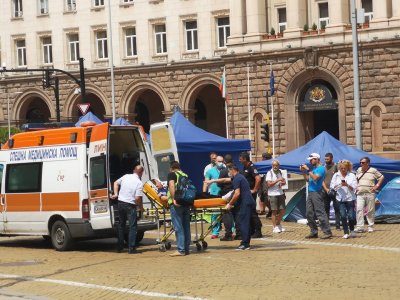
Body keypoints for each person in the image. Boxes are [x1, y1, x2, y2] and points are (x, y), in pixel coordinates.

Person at [111, 165, 144, 254]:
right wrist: (141, 208)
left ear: (134, 170)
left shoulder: (125, 176)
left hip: (121, 203)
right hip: (130, 205)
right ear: (141, 173)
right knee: (132, 227)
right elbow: (137, 198)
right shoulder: (139, 183)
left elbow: (115, 183)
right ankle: (131, 248)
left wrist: (116, 193)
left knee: (121, 225)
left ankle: (119, 247)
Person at [300, 153, 332, 239]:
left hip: (317, 193)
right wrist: (303, 172)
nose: (310, 161)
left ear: (317, 159)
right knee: (308, 213)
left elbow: (315, 178)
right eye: (310, 160)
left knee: (320, 212)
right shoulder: (313, 169)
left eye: (312, 159)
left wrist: (308, 170)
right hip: (311, 192)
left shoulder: (321, 169)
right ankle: (314, 231)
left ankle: (327, 231)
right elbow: (308, 179)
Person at [225, 165, 256, 250]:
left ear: (232, 170)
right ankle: (246, 243)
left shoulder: (237, 179)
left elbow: (237, 193)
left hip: (245, 203)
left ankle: (245, 244)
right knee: (246, 223)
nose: (229, 173)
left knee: (243, 223)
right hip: (248, 202)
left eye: (229, 171)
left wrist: (230, 204)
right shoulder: (240, 177)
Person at [167, 161, 191, 256]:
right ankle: (186, 248)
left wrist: (174, 199)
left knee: (178, 227)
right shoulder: (184, 175)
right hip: (186, 202)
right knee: (186, 226)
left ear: (171, 167)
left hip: (176, 204)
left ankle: (181, 250)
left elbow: (172, 185)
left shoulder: (172, 174)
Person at [355, 157, 384, 233]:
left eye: (363, 162)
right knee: (359, 209)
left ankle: (370, 226)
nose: (361, 164)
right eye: (360, 162)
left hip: (370, 193)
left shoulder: (373, 170)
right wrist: (356, 187)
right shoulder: (358, 170)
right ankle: (360, 226)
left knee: (370, 210)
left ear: (367, 163)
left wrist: (376, 186)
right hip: (360, 193)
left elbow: (381, 177)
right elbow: (356, 179)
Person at [330, 160, 358, 239]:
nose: (343, 170)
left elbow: (355, 188)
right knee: (343, 215)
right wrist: (340, 185)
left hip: (350, 198)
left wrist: (347, 185)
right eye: (341, 168)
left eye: (344, 168)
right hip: (340, 198)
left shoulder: (352, 175)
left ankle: (352, 230)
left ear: (348, 168)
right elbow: (332, 186)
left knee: (351, 216)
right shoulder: (336, 175)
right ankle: (346, 232)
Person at [239, 152, 263, 238]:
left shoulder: (252, 167)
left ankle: (258, 231)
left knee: (252, 212)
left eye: (241, 159)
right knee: (249, 211)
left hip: (250, 193)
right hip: (246, 193)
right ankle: (252, 230)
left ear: (245, 159)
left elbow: (258, 178)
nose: (239, 160)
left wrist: (254, 190)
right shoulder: (245, 166)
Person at [203, 155, 225, 239]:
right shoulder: (210, 171)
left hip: (224, 193)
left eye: (222, 161)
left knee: (228, 213)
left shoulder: (226, 170)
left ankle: (232, 230)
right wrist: (204, 193)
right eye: (219, 161)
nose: (221, 163)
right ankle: (215, 232)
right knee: (215, 214)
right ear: (215, 162)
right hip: (214, 194)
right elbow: (206, 182)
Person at [265, 159, 287, 233]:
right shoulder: (269, 173)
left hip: (280, 193)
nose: (275, 166)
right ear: (272, 166)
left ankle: (278, 224)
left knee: (283, 209)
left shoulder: (280, 172)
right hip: (272, 194)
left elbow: (283, 181)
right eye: (273, 165)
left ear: (278, 166)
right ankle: (274, 227)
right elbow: (269, 184)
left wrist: (283, 182)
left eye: (276, 165)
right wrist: (278, 180)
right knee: (274, 211)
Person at [322, 153, 341, 230]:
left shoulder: (336, 167)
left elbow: (340, 177)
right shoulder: (323, 168)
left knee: (337, 208)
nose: (326, 160)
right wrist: (326, 189)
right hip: (325, 190)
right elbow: (322, 179)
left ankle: (338, 226)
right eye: (325, 159)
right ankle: (327, 225)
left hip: (335, 191)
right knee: (326, 208)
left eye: (328, 159)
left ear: (332, 158)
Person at [258, 152, 272, 218]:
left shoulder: (271, 164)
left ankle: (271, 210)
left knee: (266, 199)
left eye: (263, 157)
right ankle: (268, 210)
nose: (262, 159)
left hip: (267, 185)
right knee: (262, 198)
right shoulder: (261, 165)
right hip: (261, 185)